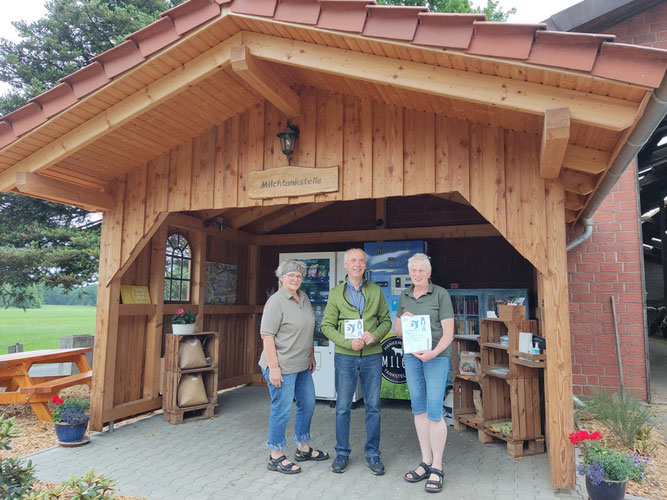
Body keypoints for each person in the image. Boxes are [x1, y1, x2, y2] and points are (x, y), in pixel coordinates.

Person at [321, 248, 391, 475]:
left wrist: (376, 335)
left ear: (365, 265)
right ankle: (342, 453)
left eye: (361, 261)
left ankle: (373, 453)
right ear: (345, 264)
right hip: (345, 357)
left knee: (373, 407)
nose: (358, 264)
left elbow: (386, 321)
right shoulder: (335, 293)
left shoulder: (375, 291)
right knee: (342, 408)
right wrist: (345, 342)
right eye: (353, 261)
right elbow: (326, 326)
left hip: (372, 356)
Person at [258, 259, 329, 474]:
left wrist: (311, 355)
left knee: (307, 404)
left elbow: (307, 330)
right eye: (291, 275)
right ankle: (276, 455)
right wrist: (274, 368)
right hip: (281, 366)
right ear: (281, 278)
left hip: (301, 365)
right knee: (282, 409)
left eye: (299, 276)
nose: (295, 279)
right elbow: (267, 336)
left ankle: (303, 448)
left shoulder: (304, 297)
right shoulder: (276, 302)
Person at [393, 253, 454, 494]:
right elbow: (396, 330)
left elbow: (449, 334)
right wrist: (403, 322)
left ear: (429, 273)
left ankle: (438, 466)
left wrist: (433, 353)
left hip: (436, 357)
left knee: (434, 411)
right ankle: (425, 461)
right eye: (413, 270)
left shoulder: (440, 294)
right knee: (419, 409)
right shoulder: (405, 296)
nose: (417, 274)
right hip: (411, 357)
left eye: (421, 270)